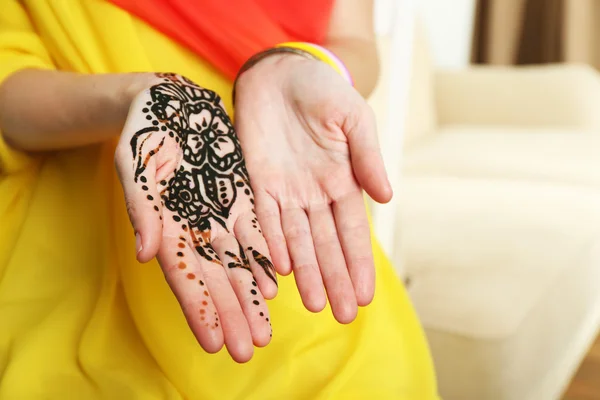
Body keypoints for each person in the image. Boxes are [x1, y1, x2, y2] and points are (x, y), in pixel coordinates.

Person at [0, 1, 438, 398]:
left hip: (275, 205)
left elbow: (355, 43)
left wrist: (305, 62)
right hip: (76, 237)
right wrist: (140, 97)